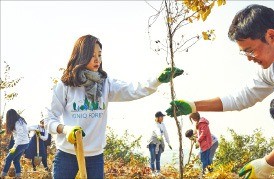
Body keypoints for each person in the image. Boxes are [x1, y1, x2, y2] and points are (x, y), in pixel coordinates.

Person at [166, 4, 274, 178]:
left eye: (250, 51)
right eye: (244, 53)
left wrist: (268, 163)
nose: (249, 58)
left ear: (271, 36)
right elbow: (242, 97)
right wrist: (194, 106)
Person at [44, 34, 183, 179]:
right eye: (92, 55)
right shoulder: (66, 85)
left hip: (94, 156)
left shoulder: (105, 84)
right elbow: (49, 119)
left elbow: (132, 89)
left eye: (99, 55)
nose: (97, 60)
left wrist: (157, 80)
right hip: (67, 154)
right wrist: (66, 129)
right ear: (81, 56)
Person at [0, 109, 29, 178]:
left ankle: (2, 175)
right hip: (25, 144)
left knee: (8, 158)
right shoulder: (21, 121)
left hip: (20, 144)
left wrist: (14, 147)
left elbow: (20, 136)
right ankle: (18, 175)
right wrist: (3, 131)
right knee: (16, 160)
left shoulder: (17, 123)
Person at [147, 111, 172, 176]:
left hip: (160, 142)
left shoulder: (163, 125)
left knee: (158, 158)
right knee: (152, 158)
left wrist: (168, 142)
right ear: (158, 117)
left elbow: (166, 133)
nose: (162, 118)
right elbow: (157, 130)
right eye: (161, 116)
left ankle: (158, 171)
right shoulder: (155, 124)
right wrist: (159, 136)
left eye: (162, 117)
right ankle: (153, 171)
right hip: (153, 142)